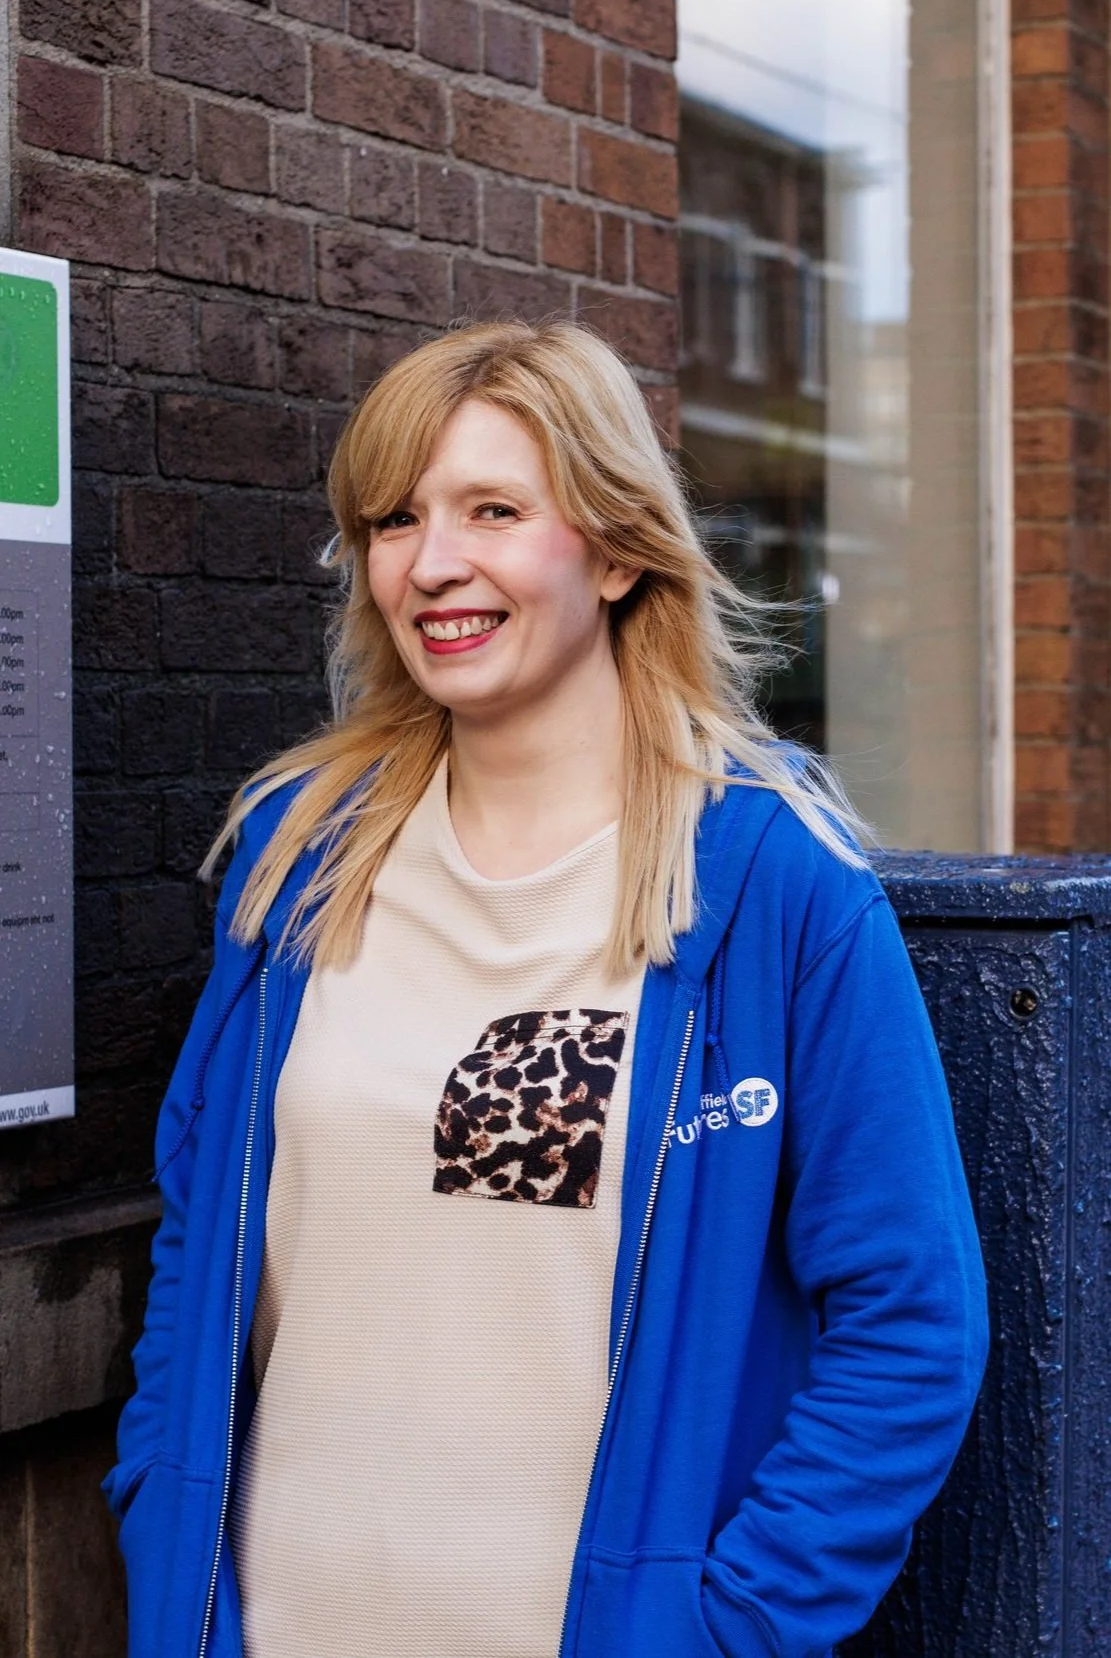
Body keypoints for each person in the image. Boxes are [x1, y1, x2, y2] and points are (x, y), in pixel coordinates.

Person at [103, 320, 988, 1658]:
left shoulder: (770, 885)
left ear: (618, 549)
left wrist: (724, 1626)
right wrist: (157, 1520)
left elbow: (911, 1318)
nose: (433, 562)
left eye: (494, 510)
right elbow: (198, 1229)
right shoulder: (298, 860)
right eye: (395, 517)